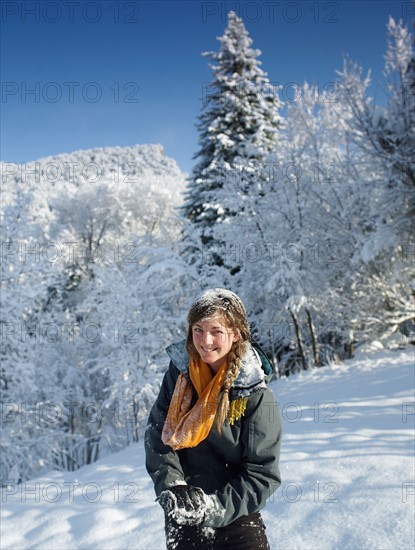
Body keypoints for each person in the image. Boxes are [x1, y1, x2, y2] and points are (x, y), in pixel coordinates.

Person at [145, 288, 282, 550]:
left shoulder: (254, 394)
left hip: (236, 518)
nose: (205, 340)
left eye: (216, 331)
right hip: (184, 510)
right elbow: (158, 435)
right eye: (198, 329)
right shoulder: (179, 376)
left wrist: (212, 508)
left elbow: (263, 474)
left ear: (235, 334)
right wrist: (173, 486)